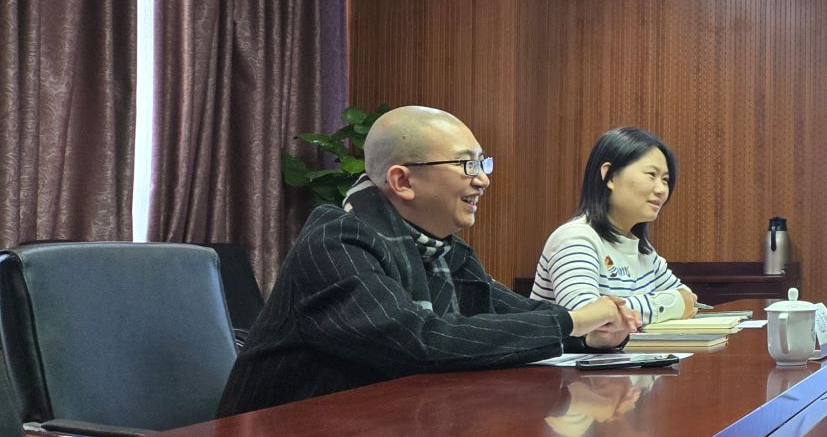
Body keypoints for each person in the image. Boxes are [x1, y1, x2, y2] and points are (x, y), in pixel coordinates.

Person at [219, 106, 637, 415]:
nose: (483, 179)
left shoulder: (441, 249)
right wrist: (570, 322)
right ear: (403, 180)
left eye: (483, 162)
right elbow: (416, 341)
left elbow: (507, 313)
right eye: (467, 164)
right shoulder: (337, 240)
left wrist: (589, 336)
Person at [531, 126, 698, 324]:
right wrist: (666, 305)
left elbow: (688, 299)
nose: (662, 189)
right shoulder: (575, 238)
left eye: (665, 179)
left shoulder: (642, 250)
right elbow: (587, 317)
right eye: (651, 175)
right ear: (610, 176)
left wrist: (673, 303)